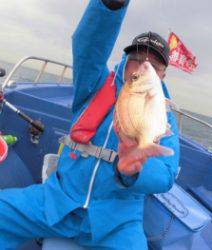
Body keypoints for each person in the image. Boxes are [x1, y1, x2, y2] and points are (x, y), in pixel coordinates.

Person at [0, 0, 180, 249]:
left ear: (162, 75)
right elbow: (89, 46)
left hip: (117, 222)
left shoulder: (164, 118)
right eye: (136, 58)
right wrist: (109, 6)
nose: (143, 66)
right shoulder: (95, 84)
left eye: (155, 65)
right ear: (125, 60)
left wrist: (134, 171)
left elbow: (167, 174)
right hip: (58, 199)